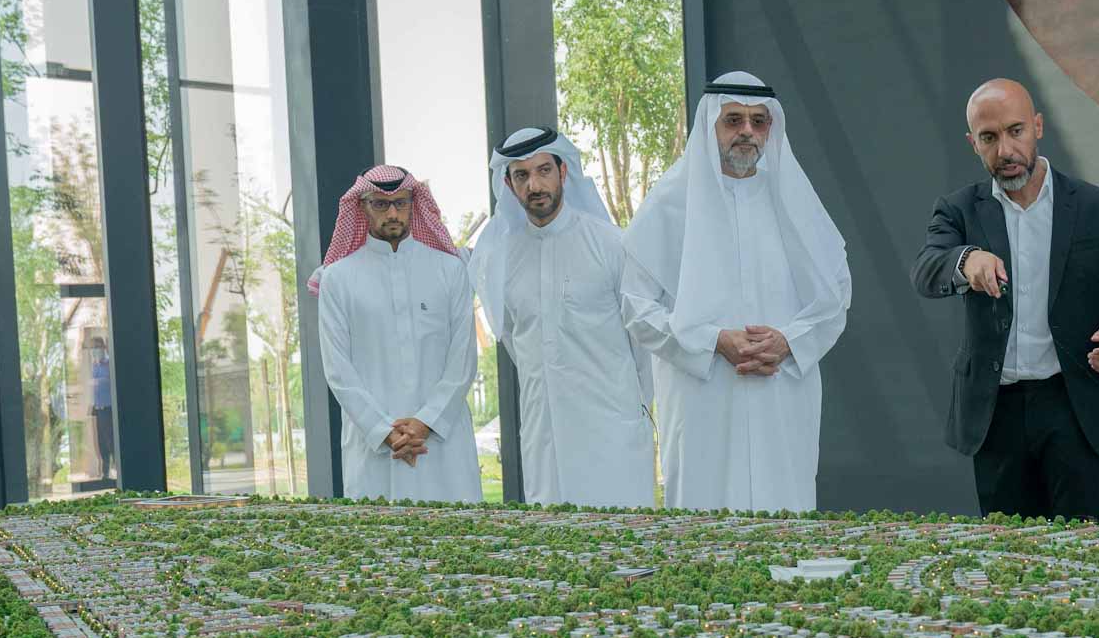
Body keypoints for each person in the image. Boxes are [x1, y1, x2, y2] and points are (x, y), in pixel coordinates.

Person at [911, 78, 1099, 521]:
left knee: (1085, 555)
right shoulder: (959, 209)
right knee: (1009, 558)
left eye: (1015, 130)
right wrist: (967, 259)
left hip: (1075, 407)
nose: (1005, 150)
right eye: (989, 137)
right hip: (996, 412)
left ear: (1038, 126)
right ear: (973, 144)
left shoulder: (1097, 208)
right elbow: (927, 268)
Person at [621, 72, 850, 512]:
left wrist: (789, 340)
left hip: (781, 395)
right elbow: (635, 306)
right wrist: (712, 341)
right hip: (703, 396)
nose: (747, 131)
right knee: (704, 524)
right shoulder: (670, 202)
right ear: (711, 126)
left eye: (758, 121)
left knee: (784, 522)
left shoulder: (794, 198)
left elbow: (836, 295)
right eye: (734, 120)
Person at [471, 127, 656, 508]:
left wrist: (632, 409)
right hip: (544, 433)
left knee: (623, 544)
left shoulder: (610, 243)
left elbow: (642, 341)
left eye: (543, 171)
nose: (534, 185)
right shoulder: (502, 259)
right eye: (521, 176)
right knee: (556, 545)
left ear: (563, 173)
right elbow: (515, 340)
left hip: (611, 428)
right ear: (508, 183)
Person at [312, 165, 481, 503]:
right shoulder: (338, 279)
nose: (392, 212)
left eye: (401, 203)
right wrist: (383, 431)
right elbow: (338, 370)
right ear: (362, 206)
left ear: (413, 205)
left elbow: (462, 360)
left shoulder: (450, 270)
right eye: (380, 204)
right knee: (380, 548)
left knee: (457, 542)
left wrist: (426, 423)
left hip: (443, 443)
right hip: (374, 447)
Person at [87, 337, 113, 481]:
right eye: (93, 348)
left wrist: (96, 382)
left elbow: (108, 380)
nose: (95, 350)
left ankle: (115, 470)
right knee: (101, 441)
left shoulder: (108, 364)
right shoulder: (94, 365)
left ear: (103, 348)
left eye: (97, 347)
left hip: (109, 408)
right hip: (99, 408)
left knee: (110, 440)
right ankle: (105, 473)